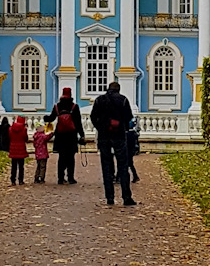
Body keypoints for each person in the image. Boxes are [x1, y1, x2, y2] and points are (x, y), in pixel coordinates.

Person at [90, 78, 136, 207]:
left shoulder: (99, 100)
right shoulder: (123, 100)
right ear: (118, 89)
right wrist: (123, 126)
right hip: (119, 136)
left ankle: (109, 197)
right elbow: (129, 117)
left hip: (104, 136)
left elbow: (93, 117)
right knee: (123, 165)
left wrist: (100, 127)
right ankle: (126, 197)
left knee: (106, 166)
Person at [49, 89, 82, 186]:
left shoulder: (57, 106)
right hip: (71, 135)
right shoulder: (74, 106)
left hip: (60, 135)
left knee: (61, 157)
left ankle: (60, 178)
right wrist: (82, 135)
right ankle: (70, 177)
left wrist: (45, 119)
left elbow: (51, 118)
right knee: (71, 157)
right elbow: (78, 122)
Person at [7, 113, 29, 185]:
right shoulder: (23, 129)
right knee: (21, 166)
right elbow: (25, 138)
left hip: (13, 148)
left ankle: (13, 180)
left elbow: (9, 137)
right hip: (21, 148)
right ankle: (20, 180)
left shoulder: (10, 129)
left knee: (13, 166)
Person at [126, 115, 141, 184]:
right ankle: (135, 176)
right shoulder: (133, 133)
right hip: (131, 149)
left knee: (126, 163)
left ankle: (135, 176)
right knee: (129, 163)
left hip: (127, 150)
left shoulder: (127, 134)